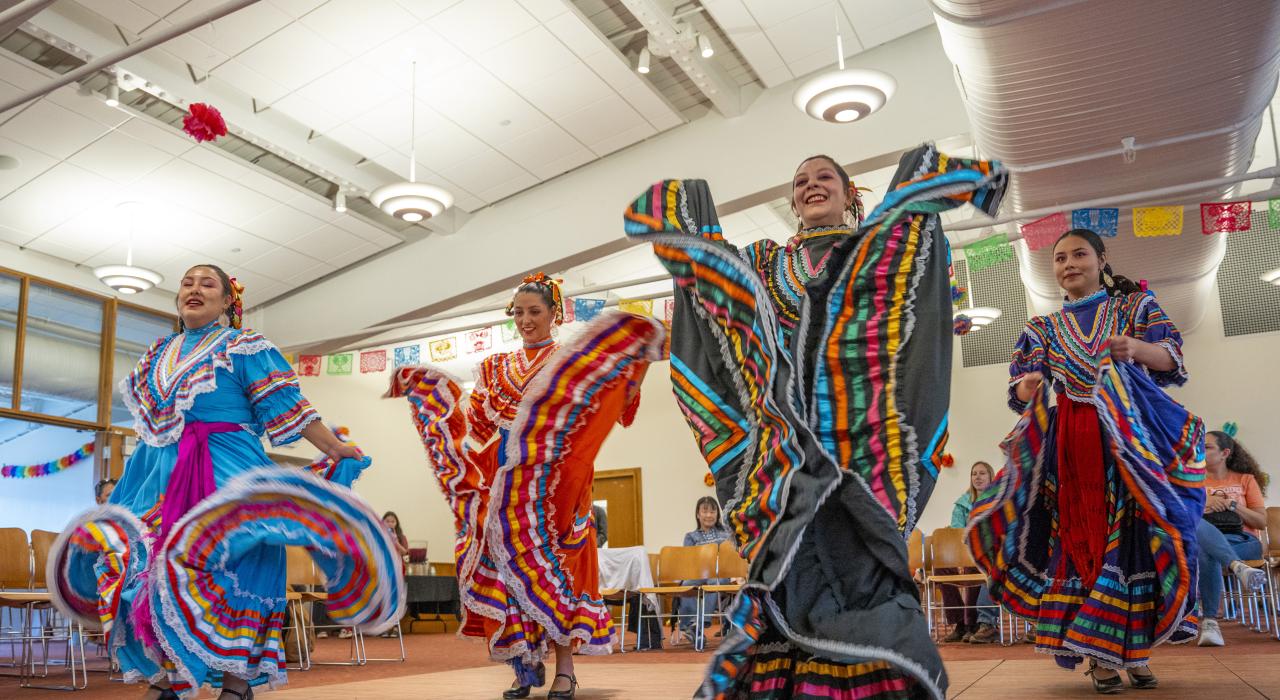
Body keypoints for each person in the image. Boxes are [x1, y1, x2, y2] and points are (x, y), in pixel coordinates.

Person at [624, 145, 1008, 699]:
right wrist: (686, 223)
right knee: (785, 581)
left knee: (860, 578)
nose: (811, 184)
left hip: (859, 454)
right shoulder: (764, 263)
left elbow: (912, 281)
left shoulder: (870, 254)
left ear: (850, 194)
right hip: (782, 461)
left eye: (825, 176)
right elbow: (714, 292)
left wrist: (925, 184)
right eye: (801, 180)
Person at [48, 264, 399, 700]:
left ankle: (236, 685)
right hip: (158, 473)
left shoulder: (243, 345)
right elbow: (151, 429)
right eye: (187, 283)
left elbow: (289, 405)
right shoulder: (158, 352)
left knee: (236, 566)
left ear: (228, 302)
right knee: (138, 564)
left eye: (206, 283)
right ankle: (169, 676)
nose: (194, 289)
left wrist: (334, 448)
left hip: (227, 470)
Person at [387, 273, 664, 700]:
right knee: (511, 571)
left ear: (555, 313)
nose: (526, 320)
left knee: (560, 571)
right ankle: (525, 665)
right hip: (507, 485)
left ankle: (566, 671)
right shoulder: (495, 369)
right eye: (518, 312)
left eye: (535, 311)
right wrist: (445, 416)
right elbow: (477, 424)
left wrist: (633, 366)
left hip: (561, 485)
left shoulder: (571, 361)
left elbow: (619, 408)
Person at [969, 229, 1205, 693]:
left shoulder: (1134, 308)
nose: (1068, 263)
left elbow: (1172, 357)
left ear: (1102, 259)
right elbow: (1018, 389)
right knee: (1079, 537)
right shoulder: (1042, 328)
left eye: (1079, 254)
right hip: (1073, 445)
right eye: (1059, 258)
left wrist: (1135, 349)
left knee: (1137, 533)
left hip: (1130, 439)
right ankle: (1095, 657)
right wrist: (1029, 386)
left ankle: (1133, 650)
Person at [1196, 430, 1269, 646]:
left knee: (1205, 552)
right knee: (1200, 538)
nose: (1200, 450)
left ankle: (1210, 623)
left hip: (1243, 541)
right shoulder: (1194, 483)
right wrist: (1203, 504)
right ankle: (1237, 567)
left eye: (1207, 447)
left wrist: (1233, 505)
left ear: (1224, 453)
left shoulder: (1245, 480)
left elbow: (1261, 522)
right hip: (1206, 544)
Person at [940, 462, 998, 644]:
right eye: (974, 474)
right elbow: (957, 532)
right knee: (941, 569)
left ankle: (978, 623)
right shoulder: (962, 504)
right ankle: (960, 623)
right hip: (965, 552)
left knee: (979, 568)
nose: (978, 477)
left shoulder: (998, 501)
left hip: (987, 554)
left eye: (982, 473)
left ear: (991, 477)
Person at [671, 496, 733, 646]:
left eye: (713, 511)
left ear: (717, 514)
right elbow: (688, 562)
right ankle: (691, 626)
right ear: (698, 514)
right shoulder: (691, 537)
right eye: (705, 511)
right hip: (698, 573)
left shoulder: (727, 533)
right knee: (687, 583)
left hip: (722, 573)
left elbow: (734, 556)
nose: (709, 515)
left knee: (714, 579)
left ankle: (697, 625)